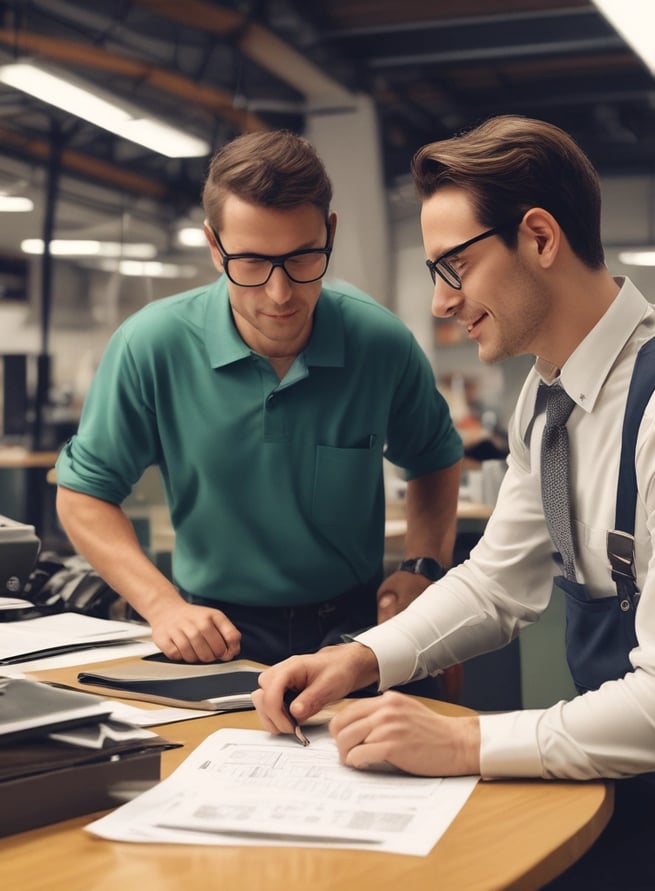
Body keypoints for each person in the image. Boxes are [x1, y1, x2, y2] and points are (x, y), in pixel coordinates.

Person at [253, 116, 655, 890]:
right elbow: (499, 580)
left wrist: (464, 744)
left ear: (539, 237)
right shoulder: (548, 395)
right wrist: (361, 656)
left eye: (453, 267)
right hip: (614, 775)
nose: (438, 302)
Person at [55, 129, 464, 668]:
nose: (279, 293)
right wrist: (163, 607)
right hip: (215, 632)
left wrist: (423, 565)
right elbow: (83, 494)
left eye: (302, 258)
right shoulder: (151, 345)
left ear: (331, 233)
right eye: (249, 262)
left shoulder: (381, 343)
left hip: (355, 629)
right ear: (213, 245)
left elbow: (433, 458)